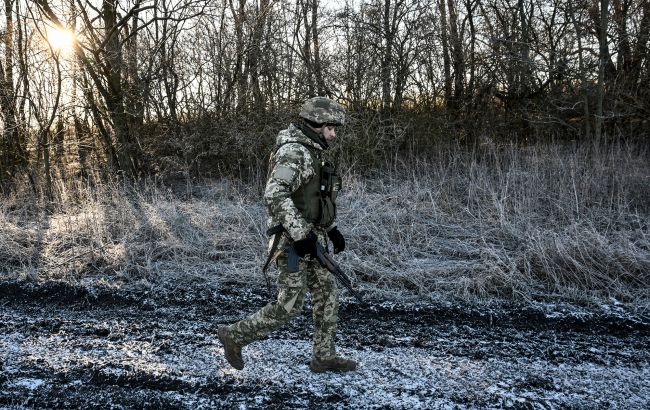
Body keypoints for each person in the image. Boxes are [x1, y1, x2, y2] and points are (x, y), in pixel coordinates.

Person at [217, 96, 357, 373]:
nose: (333, 134)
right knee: (289, 304)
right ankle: (234, 336)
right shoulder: (294, 152)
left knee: (328, 294)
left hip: (313, 239)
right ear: (316, 124)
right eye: (331, 127)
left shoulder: (314, 153)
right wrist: (301, 234)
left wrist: (332, 229)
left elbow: (314, 200)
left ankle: (324, 357)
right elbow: (275, 194)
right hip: (292, 243)